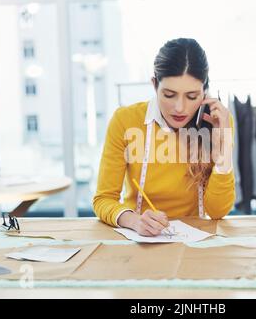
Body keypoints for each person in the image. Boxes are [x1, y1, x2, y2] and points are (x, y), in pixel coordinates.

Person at [93, 38, 235, 236]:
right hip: (139, 238)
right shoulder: (125, 121)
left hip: (194, 240)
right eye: (169, 95)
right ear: (154, 85)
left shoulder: (217, 123)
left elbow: (218, 211)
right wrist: (134, 221)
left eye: (192, 96)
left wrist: (223, 146)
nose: (180, 108)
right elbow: (104, 199)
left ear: (205, 92)